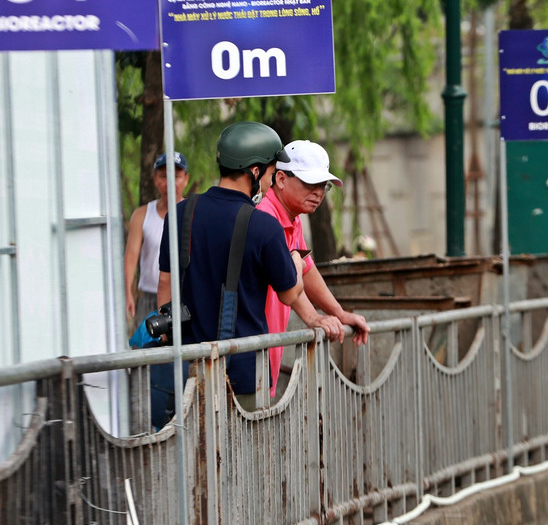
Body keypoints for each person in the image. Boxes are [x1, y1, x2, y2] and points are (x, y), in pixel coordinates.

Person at [156, 121, 343, 410]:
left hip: (187, 370)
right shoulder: (263, 226)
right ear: (255, 172)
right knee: (241, 453)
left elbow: (166, 283)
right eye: (270, 173)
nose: (269, 182)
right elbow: (290, 293)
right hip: (243, 373)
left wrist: (170, 333)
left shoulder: (179, 214)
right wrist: (294, 260)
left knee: (195, 452)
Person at [258, 139, 371, 395]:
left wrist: (339, 314)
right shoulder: (264, 218)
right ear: (281, 179)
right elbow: (285, 278)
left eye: (323, 185)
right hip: (252, 346)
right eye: (310, 183)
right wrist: (313, 317)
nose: (318, 192)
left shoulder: (291, 218)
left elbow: (306, 269)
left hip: (268, 344)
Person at [124, 152, 188, 328]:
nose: (169, 183)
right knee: (145, 351)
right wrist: (127, 291)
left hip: (182, 297)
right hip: (148, 297)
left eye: (176, 177)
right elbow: (131, 256)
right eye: (163, 176)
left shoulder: (192, 215)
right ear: (155, 179)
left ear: (186, 179)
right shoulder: (141, 215)